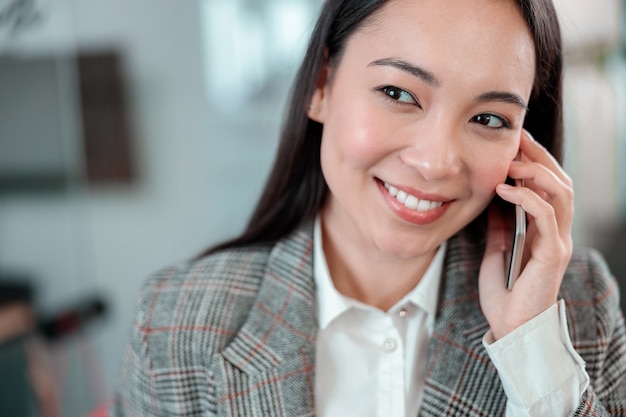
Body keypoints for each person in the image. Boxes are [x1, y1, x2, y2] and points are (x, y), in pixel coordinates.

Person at [112, 0, 626, 415]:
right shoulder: (175, 322)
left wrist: (531, 353)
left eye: (490, 119)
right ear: (320, 86)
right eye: (398, 92)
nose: (436, 163)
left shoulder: (576, 306)